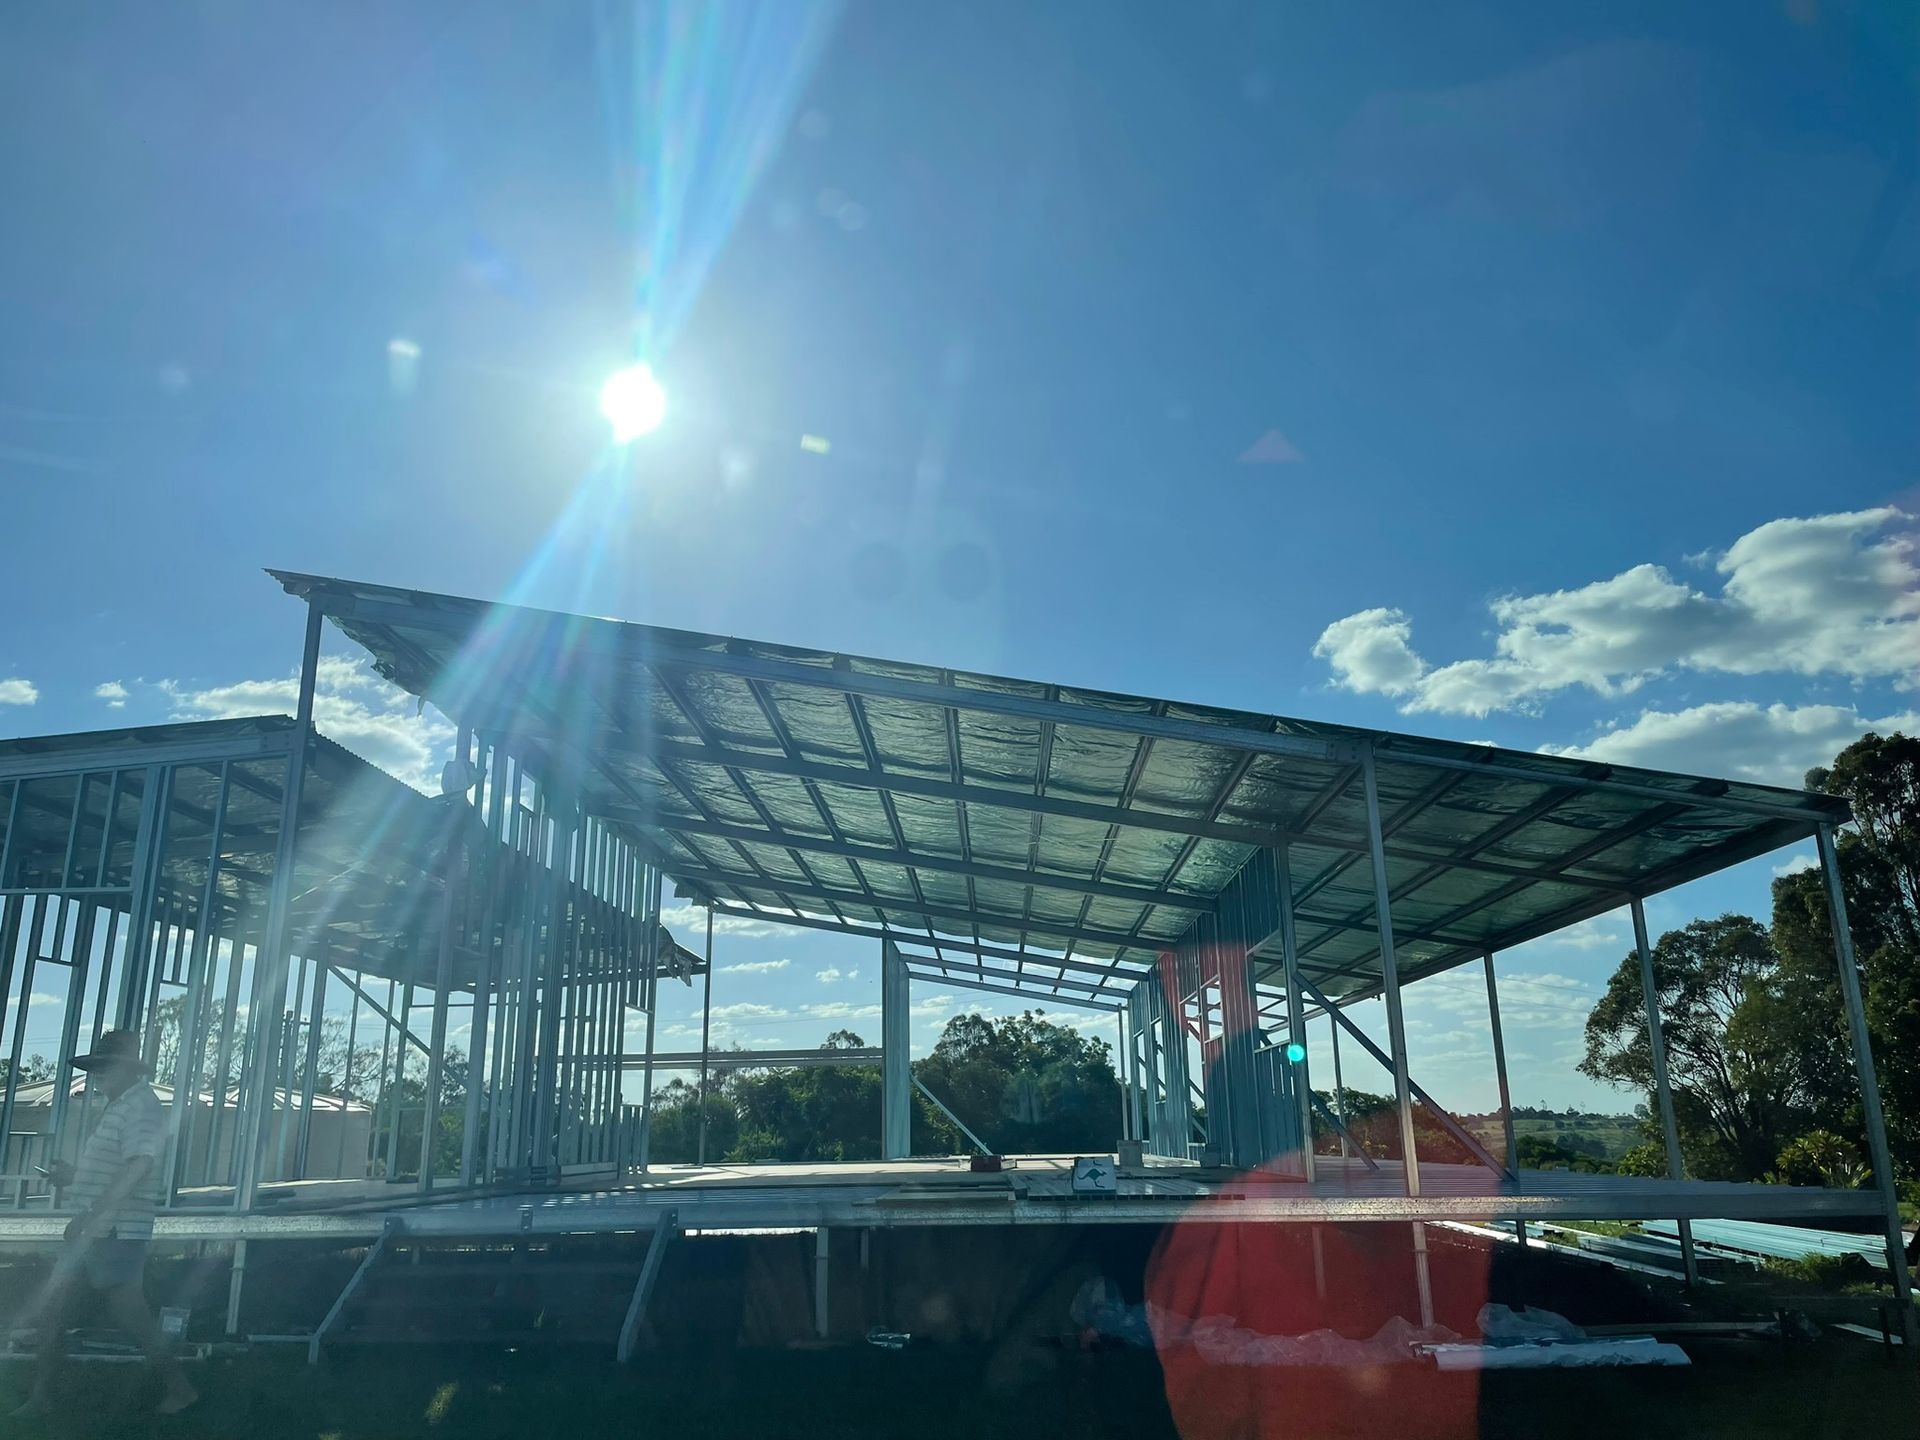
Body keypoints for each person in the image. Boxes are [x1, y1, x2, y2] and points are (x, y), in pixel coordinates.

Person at [10, 1030, 198, 1418]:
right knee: (55, 1307)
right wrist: (75, 1177)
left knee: (127, 1314)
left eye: (104, 1067)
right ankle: (42, 1396)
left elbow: (139, 1165)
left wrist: (95, 1211)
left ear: (126, 1070)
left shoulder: (140, 1107)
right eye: (95, 1068)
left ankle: (179, 1387)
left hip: (114, 1229)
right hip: (99, 1227)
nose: (98, 1075)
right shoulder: (120, 1106)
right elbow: (120, 1166)